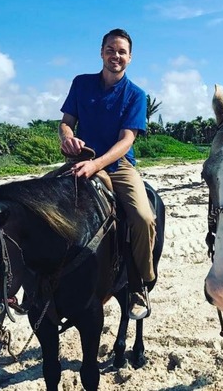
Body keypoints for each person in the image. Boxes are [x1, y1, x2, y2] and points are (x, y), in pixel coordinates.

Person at [58, 28, 156, 320]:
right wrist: (66, 137)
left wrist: (96, 165)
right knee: (37, 202)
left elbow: (127, 140)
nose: (116, 56)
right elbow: (66, 122)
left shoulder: (136, 95)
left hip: (118, 165)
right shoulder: (81, 83)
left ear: (130, 57)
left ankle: (140, 283)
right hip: (82, 159)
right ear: (101, 52)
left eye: (122, 51)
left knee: (143, 217)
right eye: (111, 50)